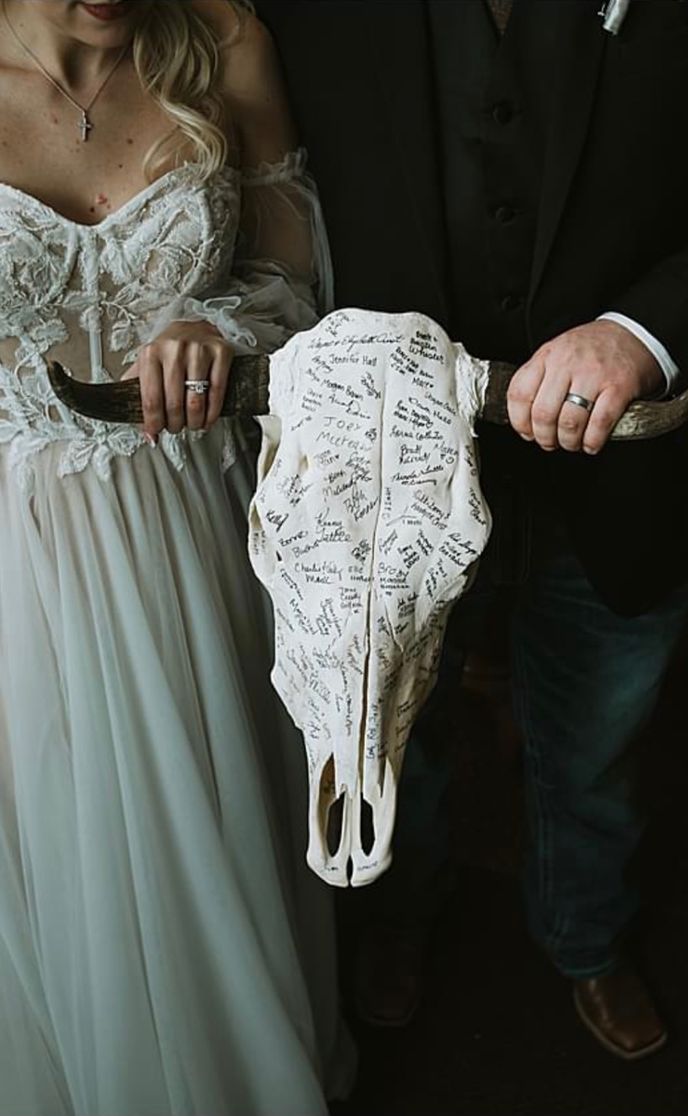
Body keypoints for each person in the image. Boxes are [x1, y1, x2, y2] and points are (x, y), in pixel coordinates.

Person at [258, 0, 688, 1059]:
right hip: (379, 464)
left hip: (631, 460)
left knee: (594, 744)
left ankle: (586, 938)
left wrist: (642, 332)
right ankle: (398, 912)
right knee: (391, 723)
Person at [0, 1, 353, 1112]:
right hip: (19, 543)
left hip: (196, 514)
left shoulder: (224, 38)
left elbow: (293, 275)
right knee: (56, 837)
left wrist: (220, 321)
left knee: (221, 803)